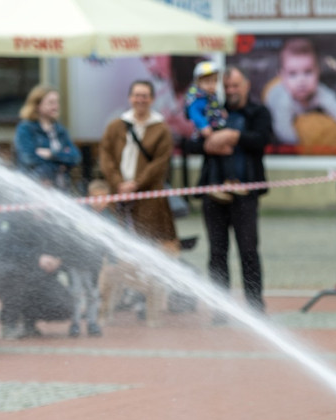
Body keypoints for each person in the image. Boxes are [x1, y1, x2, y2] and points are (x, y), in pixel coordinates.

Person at [185, 66, 273, 315]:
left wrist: (233, 136)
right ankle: (220, 309)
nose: (231, 91)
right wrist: (210, 144)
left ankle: (255, 307)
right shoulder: (213, 109)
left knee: (248, 251)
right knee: (216, 253)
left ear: (246, 85)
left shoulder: (258, 112)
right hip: (214, 193)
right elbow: (190, 142)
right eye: (228, 86)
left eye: (236, 86)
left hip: (245, 195)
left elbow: (262, 139)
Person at [99, 80, 179, 250]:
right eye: (136, 95)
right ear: (130, 98)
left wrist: (136, 184)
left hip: (148, 197)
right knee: (118, 248)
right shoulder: (116, 126)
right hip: (118, 194)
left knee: (149, 245)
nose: (140, 100)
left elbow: (160, 162)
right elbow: (105, 156)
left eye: (144, 96)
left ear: (152, 99)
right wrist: (119, 183)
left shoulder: (161, 129)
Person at [264, 37, 336, 148]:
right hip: (274, 92)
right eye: (293, 74)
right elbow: (283, 129)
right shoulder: (283, 101)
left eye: (308, 72)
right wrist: (298, 145)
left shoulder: (319, 91)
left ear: (318, 71)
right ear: (282, 76)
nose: (301, 81)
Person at [0, 212, 74, 340]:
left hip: (40, 273)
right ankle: (9, 324)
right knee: (15, 280)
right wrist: (37, 258)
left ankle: (30, 323)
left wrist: (58, 261)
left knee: (63, 305)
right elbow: (4, 250)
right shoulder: (12, 219)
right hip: (12, 272)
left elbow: (60, 247)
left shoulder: (49, 221)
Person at [14, 84, 81, 191]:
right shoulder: (25, 128)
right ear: (37, 105)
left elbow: (75, 157)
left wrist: (51, 154)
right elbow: (28, 158)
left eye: (57, 102)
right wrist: (60, 165)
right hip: (33, 190)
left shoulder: (60, 130)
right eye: (51, 103)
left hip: (61, 190)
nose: (56, 106)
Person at [185, 61, 234, 203]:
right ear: (198, 82)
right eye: (207, 82)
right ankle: (214, 183)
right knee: (216, 155)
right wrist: (203, 126)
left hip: (214, 129)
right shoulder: (198, 98)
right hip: (205, 133)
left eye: (213, 81)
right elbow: (194, 113)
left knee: (219, 155)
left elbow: (214, 108)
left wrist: (221, 112)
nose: (211, 85)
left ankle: (223, 181)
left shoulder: (210, 97)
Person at [65, 180, 106, 337]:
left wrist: (112, 261)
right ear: (89, 197)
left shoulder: (106, 219)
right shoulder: (79, 214)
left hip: (93, 265)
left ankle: (92, 322)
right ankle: (75, 323)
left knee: (93, 294)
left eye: (104, 198)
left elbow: (110, 243)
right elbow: (70, 238)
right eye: (97, 197)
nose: (100, 202)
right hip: (75, 263)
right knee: (75, 293)